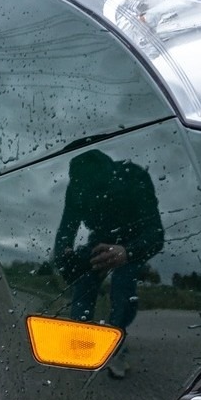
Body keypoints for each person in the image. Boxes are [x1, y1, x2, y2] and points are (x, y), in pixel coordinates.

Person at [53, 149, 164, 378]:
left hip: (133, 240)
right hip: (99, 240)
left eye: (100, 190)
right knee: (84, 278)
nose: (92, 196)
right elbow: (66, 229)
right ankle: (81, 339)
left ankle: (116, 341)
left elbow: (156, 233)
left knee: (123, 284)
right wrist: (66, 258)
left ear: (112, 177)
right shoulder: (77, 188)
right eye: (86, 192)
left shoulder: (135, 177)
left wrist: (128, 252)